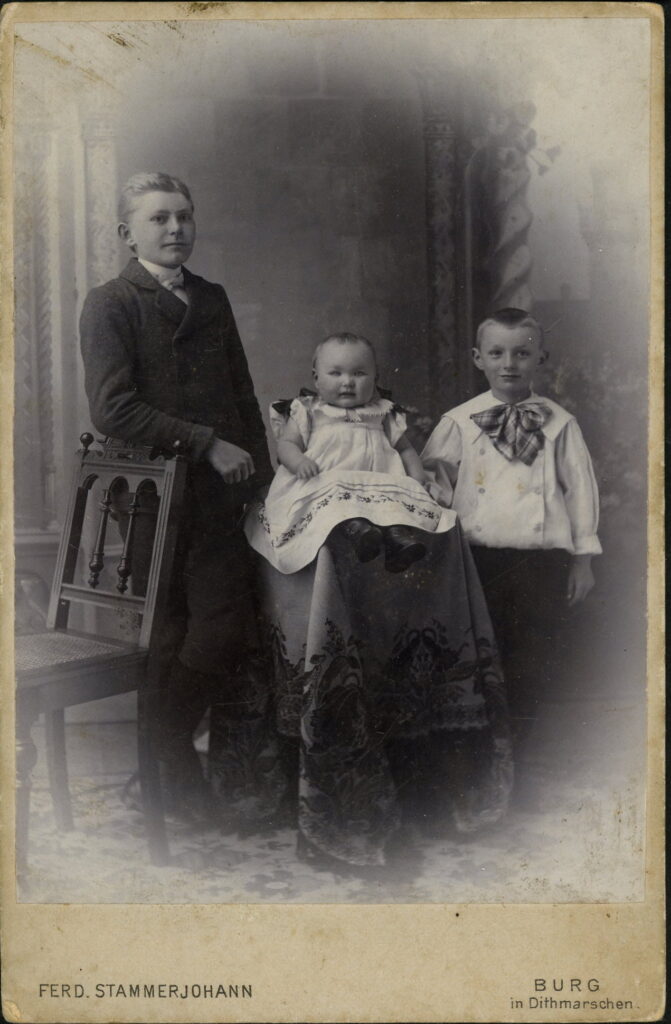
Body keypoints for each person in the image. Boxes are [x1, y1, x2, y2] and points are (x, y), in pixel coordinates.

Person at [79, 171, 283, 827]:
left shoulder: (213, 298)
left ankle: (161, 757)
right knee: (167, 638)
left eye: (183, 217)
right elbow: (113, 409)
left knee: (222, 629)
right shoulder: (111, 303)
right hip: (151, 497)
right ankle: (175, 784)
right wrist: (204, 443)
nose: (174, 229)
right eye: (159, 218)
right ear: (126, 232)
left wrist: (263, 480)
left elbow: (242, 396)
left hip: (220, 496)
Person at [421, 307, 601, 743]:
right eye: (497, 353)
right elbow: (430, 480)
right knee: (481, 654)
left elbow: (581, 491)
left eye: (522, 353)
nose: (509, 364)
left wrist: (583, 561)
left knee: (533, 654)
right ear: (477, 357)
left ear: (541, 358)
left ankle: (524, 742)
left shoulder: (560, 423)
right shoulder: (459, 421)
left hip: (541, 559)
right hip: (477, 557)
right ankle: (485, 747)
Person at [244, 332, 454, 575]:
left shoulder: (383, 413)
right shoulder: (308, 410)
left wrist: (418, 479)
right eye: (336, 373)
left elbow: (405, 449)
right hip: (328, 482)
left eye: (359, 373)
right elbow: (287, 444)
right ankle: (359, 532)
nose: (347, 382)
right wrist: (298, 461)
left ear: (376, 377)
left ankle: (398, 540)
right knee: (338, 503)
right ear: (316, 378)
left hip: (379, 482)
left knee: (394, 508)